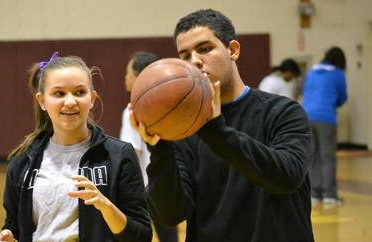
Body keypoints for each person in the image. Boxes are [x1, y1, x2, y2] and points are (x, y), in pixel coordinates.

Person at [129, 9, 314, 242]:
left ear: (233, 50)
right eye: (184, 55)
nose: (194, 60)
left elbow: (287, 177)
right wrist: (159, 148)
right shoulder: (183, 131)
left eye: (205, 49)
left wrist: (216, 131)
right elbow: (169, 215)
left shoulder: (283, 112)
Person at [0, 53, 152, 242]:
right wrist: (7, 237)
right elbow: (14, 227)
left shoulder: (118, 156)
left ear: (92, 98)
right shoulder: (23, 162)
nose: (70, 101)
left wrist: (107, 207)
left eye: (79, 92)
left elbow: (142, 236)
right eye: (59, 93)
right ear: (42, 101)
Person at [120, 52, 179, 242]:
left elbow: (132, 154)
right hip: (165, 184)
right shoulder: (168, 105)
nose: (125, 77)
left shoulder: (133, 109)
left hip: (141, 189)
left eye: (128, 72)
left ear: (138, 76)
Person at [302, 47, 347, 205]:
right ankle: (329, 194)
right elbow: (342, 98)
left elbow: (306, 93)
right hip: (326, 118)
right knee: (328, 156)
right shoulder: (338, 74)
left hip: (307, 116)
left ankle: (314, 193)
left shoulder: (311, 73)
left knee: (313, 156)